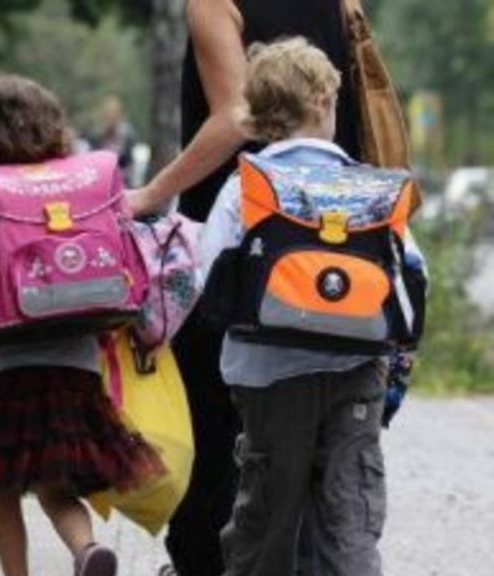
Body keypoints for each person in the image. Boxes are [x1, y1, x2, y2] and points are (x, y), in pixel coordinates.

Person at [127, 2, 366, 574]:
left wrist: (150, 195)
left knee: (216, 417)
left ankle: (207, 562)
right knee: (327, 427)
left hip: (246, 232)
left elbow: (236, 118)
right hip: (336, 236)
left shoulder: (214, 3)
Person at [201, 37, 425, 576]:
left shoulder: (247, 187)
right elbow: (413, 275)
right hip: (355, 372)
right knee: (350, 512)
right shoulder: (371, 188)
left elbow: (206, 277)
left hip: (266, 376)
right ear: (325, 103)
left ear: (256, 114)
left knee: (266, 510)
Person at [0, 74, 164, 576]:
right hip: (76, 361)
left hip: (5, 369)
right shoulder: (82, 188)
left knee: (4, 491)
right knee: (57, 486)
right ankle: (86, 551)